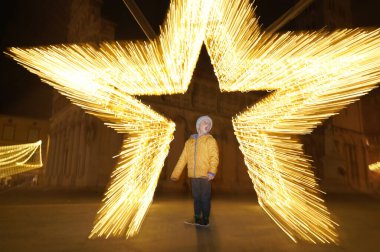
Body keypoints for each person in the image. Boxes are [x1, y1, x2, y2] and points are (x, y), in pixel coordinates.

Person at [170, 115, 219, 226]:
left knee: (205, 198)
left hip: (206, 175)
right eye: (204, 122)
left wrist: (212, 171)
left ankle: (205, 220)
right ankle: (197, 218)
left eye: (209, 124)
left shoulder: (210, 140)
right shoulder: (189, 142)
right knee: (196, 197)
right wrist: (176, 174)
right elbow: (182, 159)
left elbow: (214, 157)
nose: (207, 124)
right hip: (194, 176)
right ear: (198, 126)